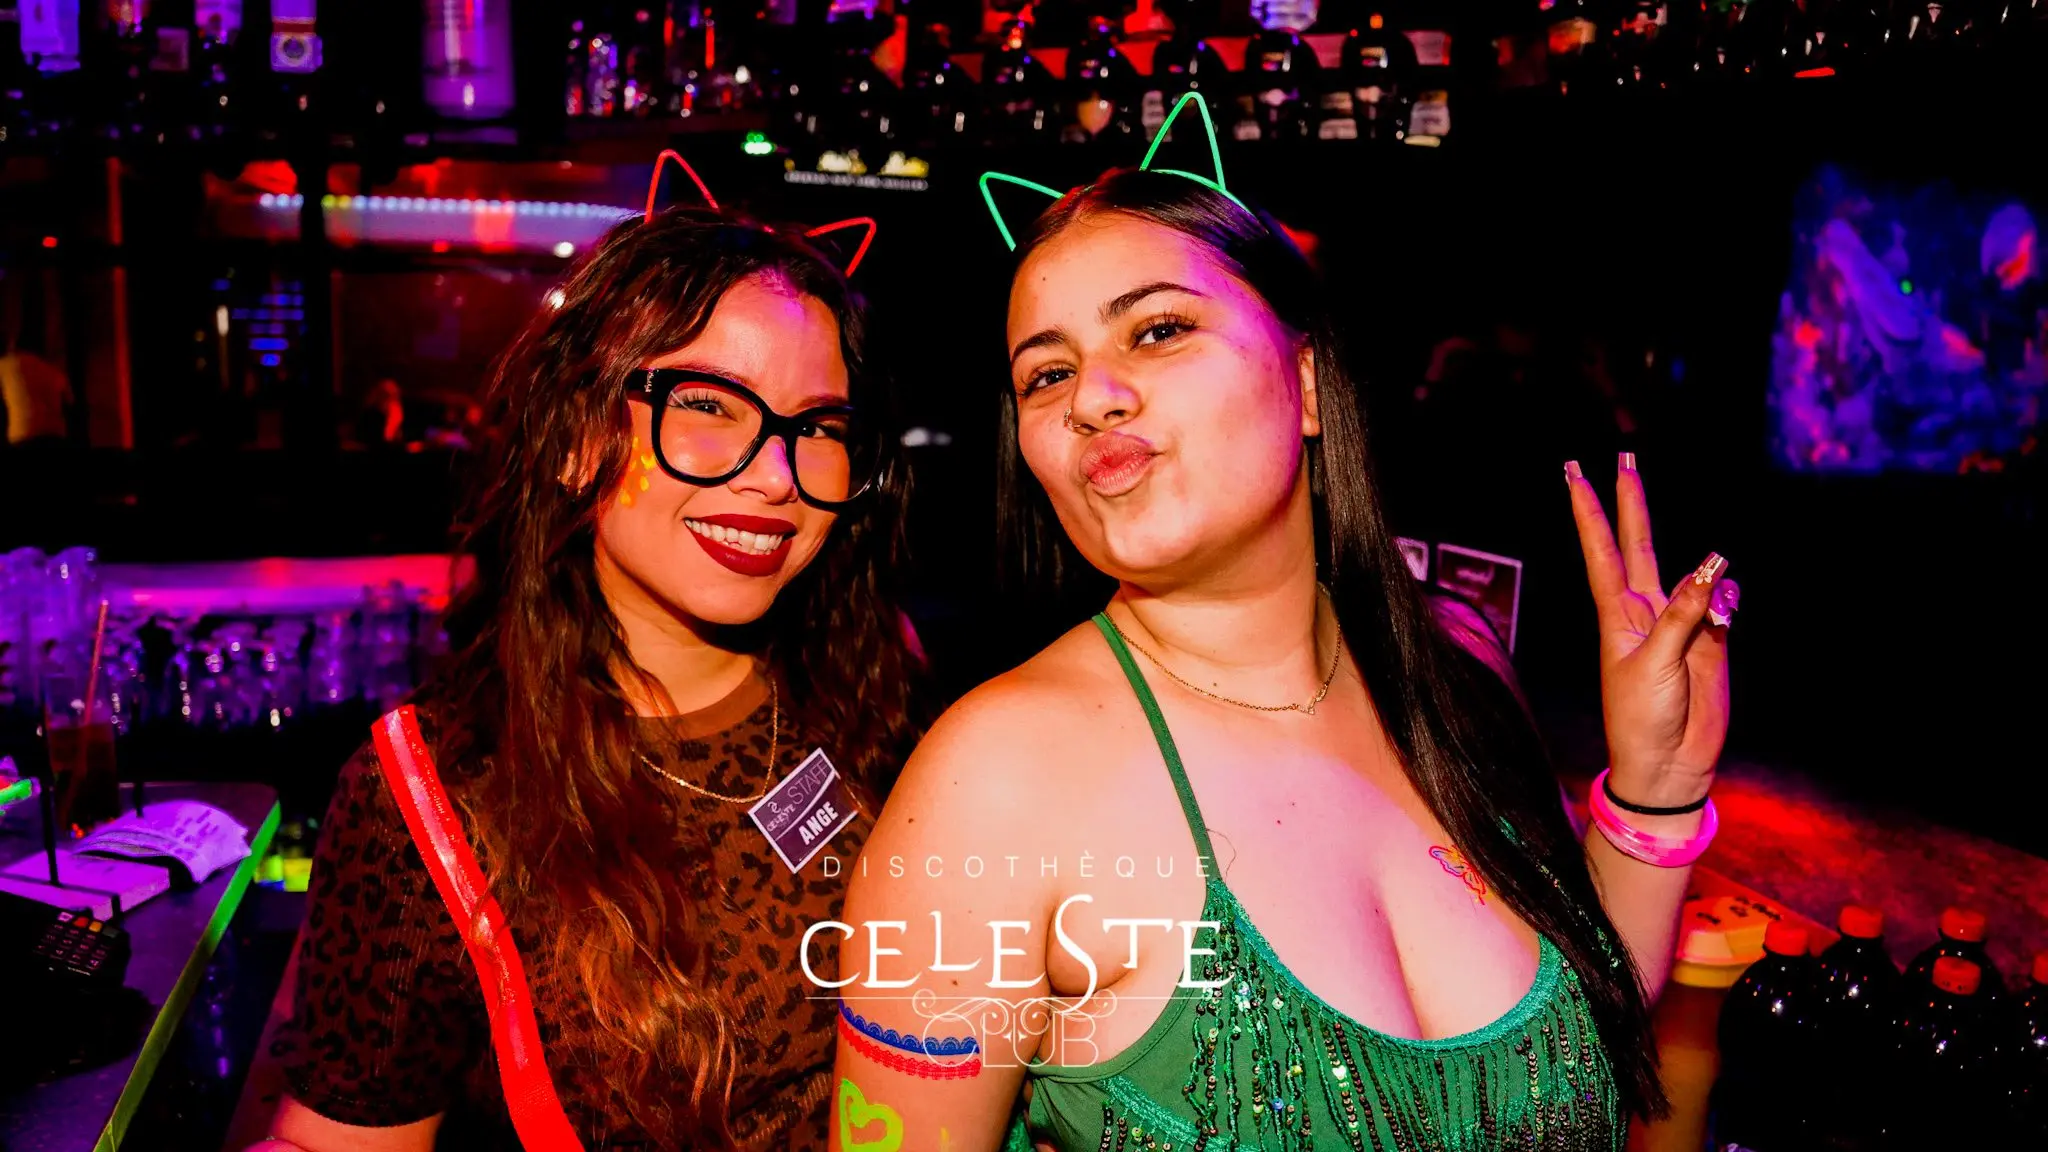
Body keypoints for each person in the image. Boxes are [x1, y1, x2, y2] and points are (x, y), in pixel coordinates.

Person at [830, 160, 1737, 1150]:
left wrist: (1658, 786)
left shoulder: (1452, 667)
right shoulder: (992, 787)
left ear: (1305, 383)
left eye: (1157, 330)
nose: (1092, 397)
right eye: (1046, 375)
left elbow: (1579, 1034)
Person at [259, 205, 921, 1151]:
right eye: (707, 404)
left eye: (815, 425)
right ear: (576, 436)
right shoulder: (437, 796)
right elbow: (340, 1139)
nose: (777, 475)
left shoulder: (878, 686)